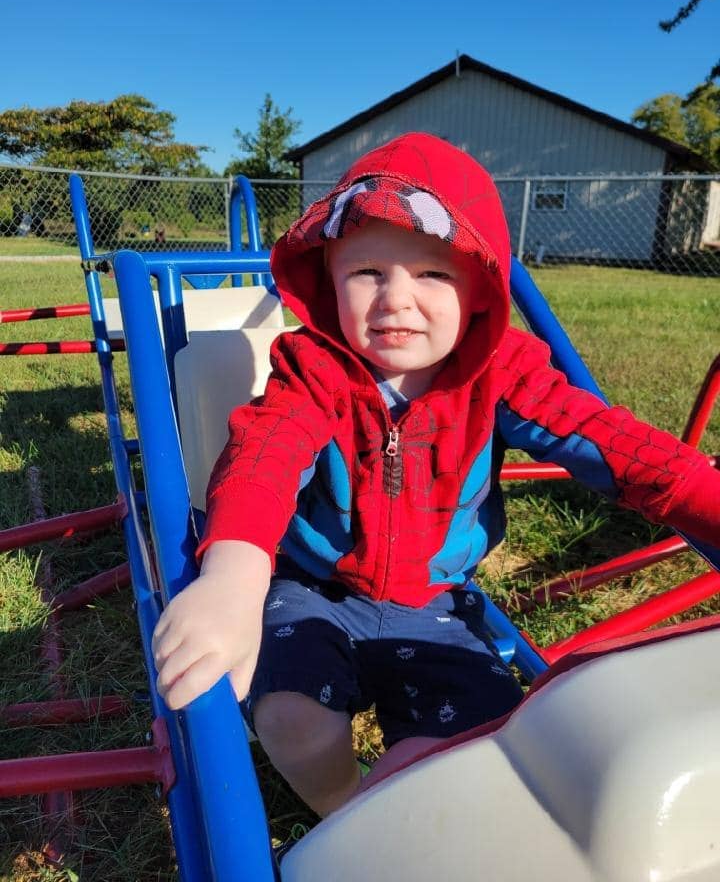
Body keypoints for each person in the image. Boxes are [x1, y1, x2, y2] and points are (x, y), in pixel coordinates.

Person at [152, 132, 720, 817]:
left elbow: (610, 440)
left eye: (433, 275)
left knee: (477, 751)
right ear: (328, 277)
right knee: (293, 719)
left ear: (479, 287)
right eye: (367, 272)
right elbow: (263, 456)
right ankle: (341, 810)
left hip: (436, 600)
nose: (396, 300)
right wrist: (236, 576)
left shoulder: (504, 370)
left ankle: (389, 808)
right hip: (311, 586)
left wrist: (705, 499)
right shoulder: (315, 367)